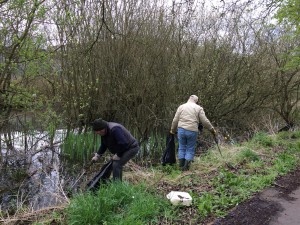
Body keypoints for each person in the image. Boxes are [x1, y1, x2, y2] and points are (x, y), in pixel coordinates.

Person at [170, 95, 216, 171]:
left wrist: (172, 130)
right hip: (192, 131)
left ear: (189, 99)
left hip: (181, 130)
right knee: (190, 149)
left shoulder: (181, 107)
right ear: (196, 101)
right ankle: (186, 169)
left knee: (181, 148)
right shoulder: (198, 108)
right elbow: (205, 121)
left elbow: (175, 120)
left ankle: (181, 168)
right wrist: (212, 130)